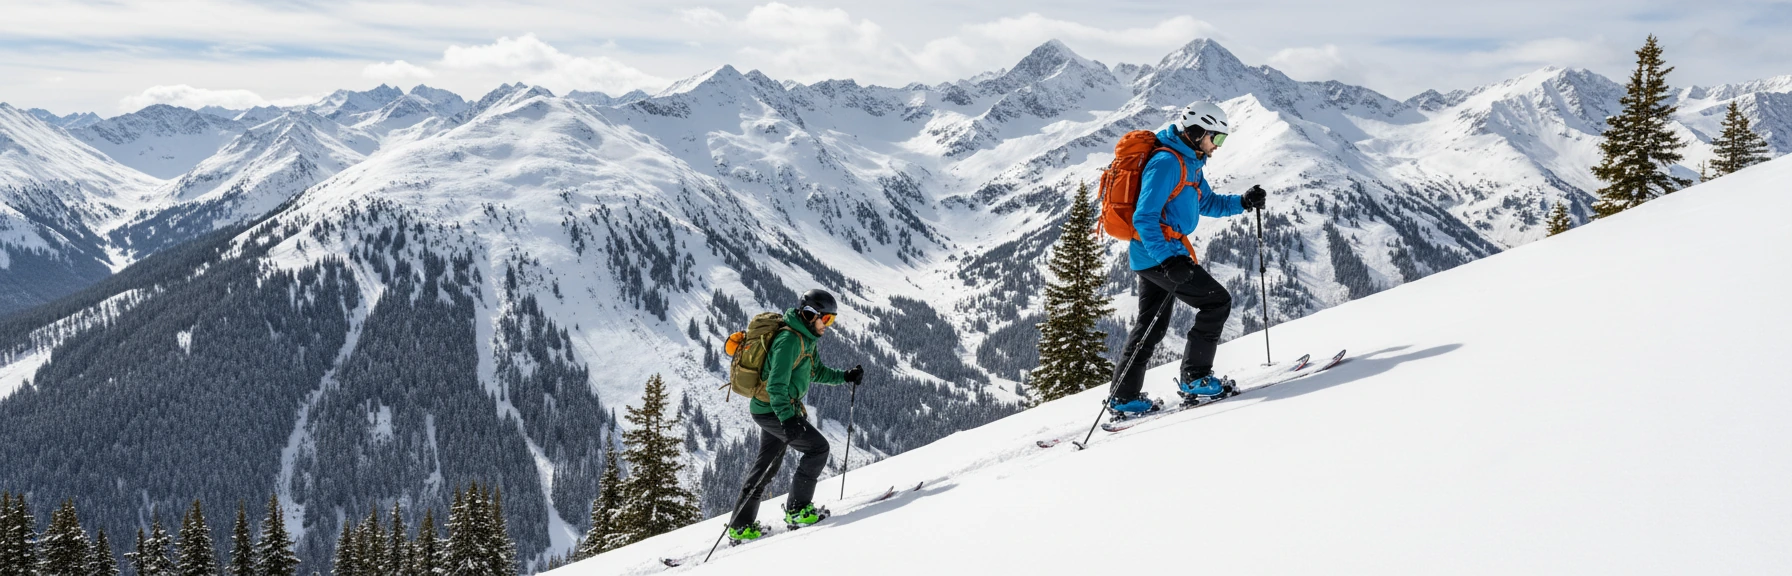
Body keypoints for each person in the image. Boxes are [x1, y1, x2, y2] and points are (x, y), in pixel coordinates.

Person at [1108, 101, 1267, 415]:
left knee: (1150, 326)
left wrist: (1243, 201)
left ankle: (1124, 397)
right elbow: (1144, 218)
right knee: (1216, 302)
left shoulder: (1189, 162)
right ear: (1197, 132)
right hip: (1160, 256)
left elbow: (1207, 202)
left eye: (1222, 139)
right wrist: (1169, 261)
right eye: (1216, 138)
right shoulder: (1167, 163)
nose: (1218, 146)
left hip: (1157, 256)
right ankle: (1195, 378)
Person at [725, 289, 865, 542]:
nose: (828, 325)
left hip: (771, 410)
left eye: (832, 319)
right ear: (811, 315)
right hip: (774, 410)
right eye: (827, 318)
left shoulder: (806, 338)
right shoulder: (789, 340)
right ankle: (798, 511)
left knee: (766, 467)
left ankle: (741, 527)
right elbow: (775, 385)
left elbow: (816, 371)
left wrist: (845, 376)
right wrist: (787, 419)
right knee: (818, 449)